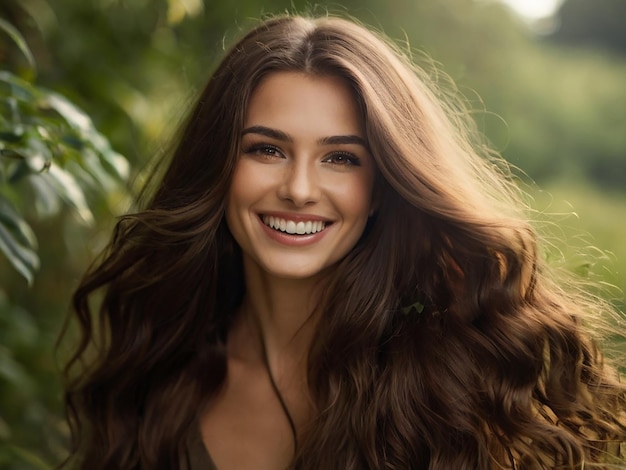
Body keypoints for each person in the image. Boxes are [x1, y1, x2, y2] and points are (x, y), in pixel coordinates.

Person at [59, 13, 626, 469]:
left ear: (382, 187)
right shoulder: (159, 363)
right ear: (218, 167)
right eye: (267, 149)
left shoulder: (445, 384)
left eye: (340, 158)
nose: (300, 189)